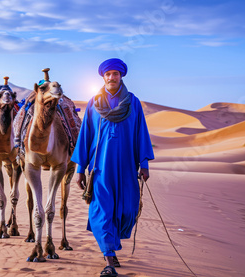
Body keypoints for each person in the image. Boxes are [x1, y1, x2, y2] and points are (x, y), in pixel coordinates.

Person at [71, 58, 154, 277]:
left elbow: (140, 133)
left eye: (116, 74)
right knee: (102, 211)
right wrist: (80, 168)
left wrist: (144, 164)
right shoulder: (94, 102)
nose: (112, 77)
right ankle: (108, 258)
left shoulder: (133, 103)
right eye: (108, 74)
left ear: (121, 76)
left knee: (126, 210)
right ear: (103, 77)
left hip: (127, 167)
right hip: (101, 169)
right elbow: (86, 135)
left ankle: (112, 245)